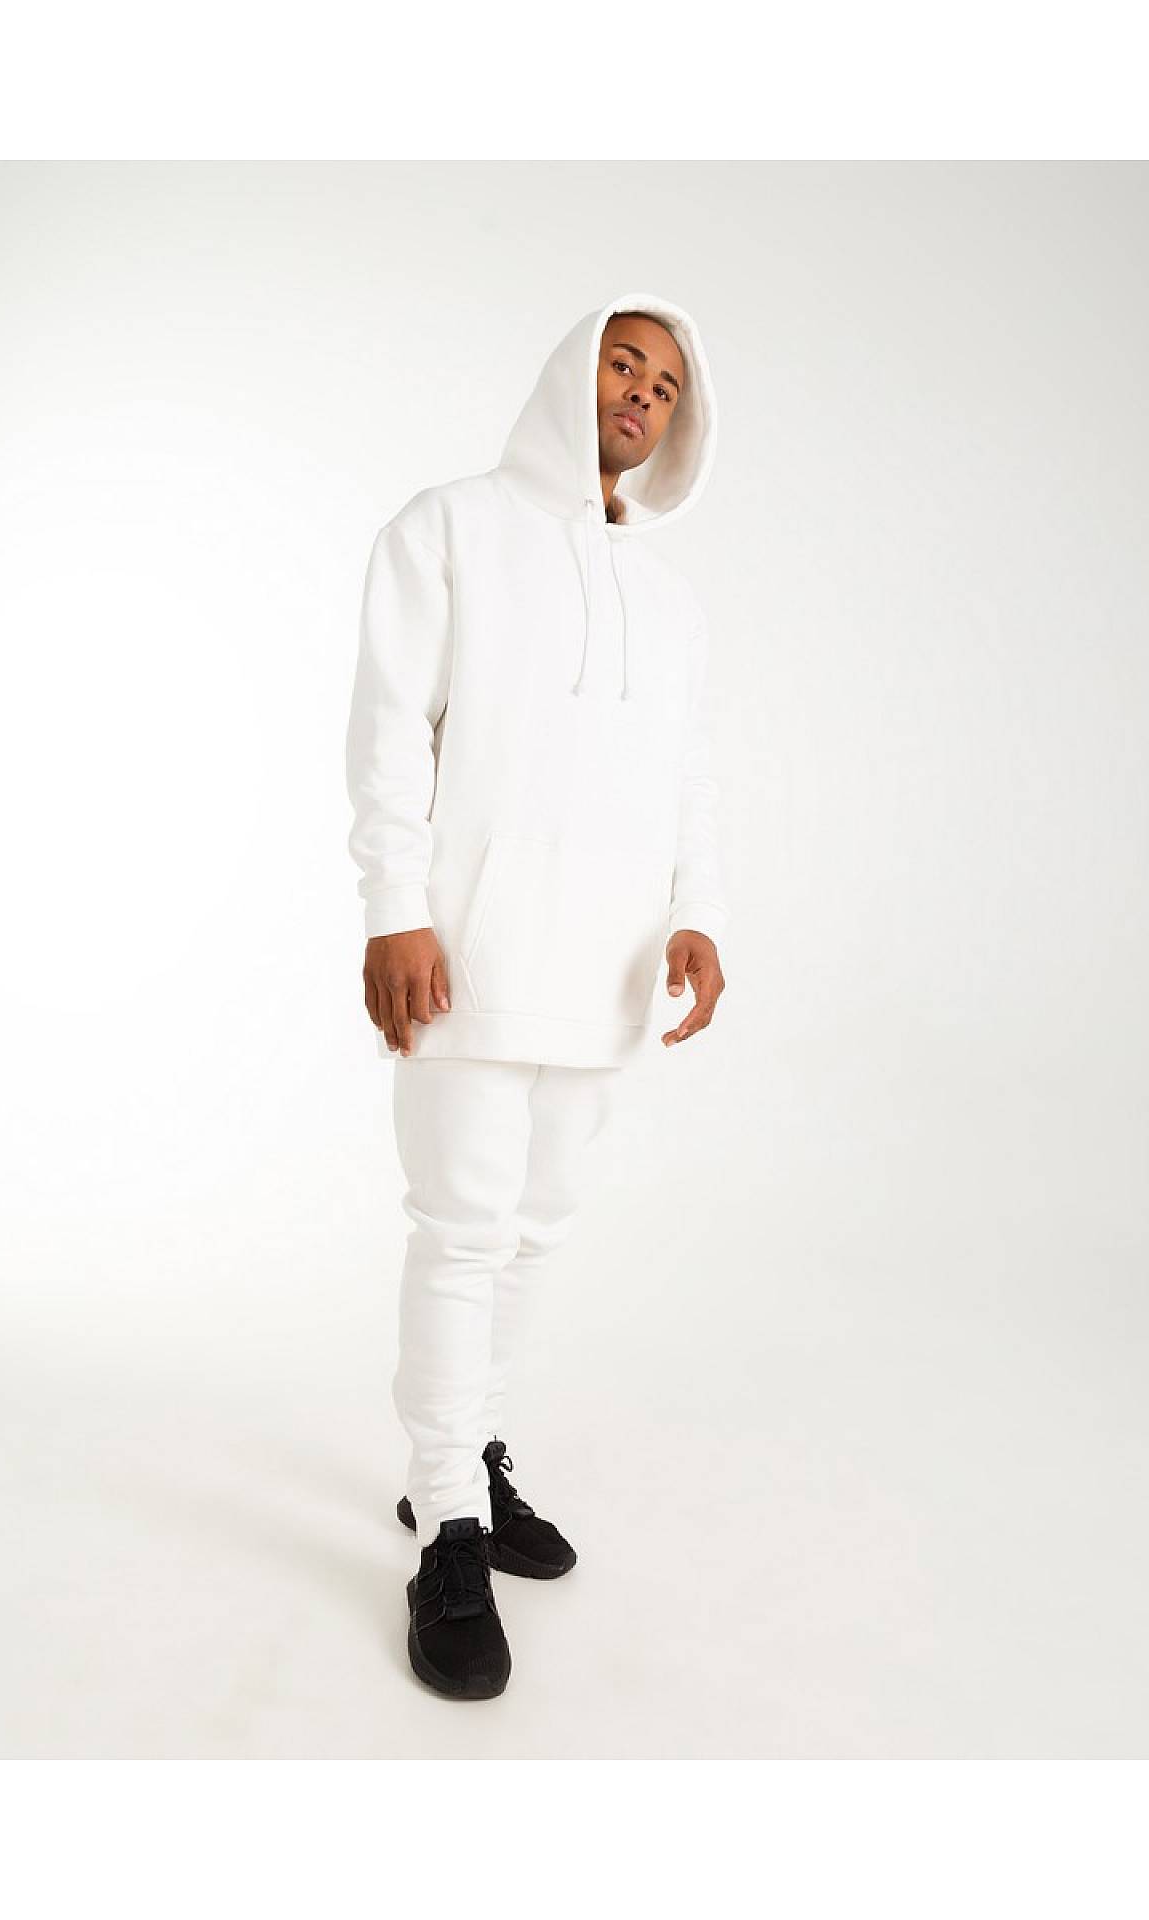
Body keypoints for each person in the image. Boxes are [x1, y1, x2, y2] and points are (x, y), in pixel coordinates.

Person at [344, 291, 728, 1699]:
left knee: (534, 1235)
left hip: (607, 967)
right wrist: (396, 909)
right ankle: (447, 1526)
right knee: (459, 1232)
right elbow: (390, 729)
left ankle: (467, 1457)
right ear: (576, 372)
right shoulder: (447, 528)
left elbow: (686, 778)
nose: (641, 394)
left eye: (666, 386)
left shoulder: (670, 603)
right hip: (472, 953)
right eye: (624, 365)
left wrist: (697, 912)